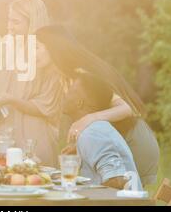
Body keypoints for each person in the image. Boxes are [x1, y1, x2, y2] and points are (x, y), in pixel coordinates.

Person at [37, 24, 159, 185]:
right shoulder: (66, 77)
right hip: (113, 142)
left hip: (132, 139)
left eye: (37, 48)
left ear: (53, 48)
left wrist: (88, 119)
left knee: (122, 189)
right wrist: (81, 146)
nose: (31, 54)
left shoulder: (84, 74)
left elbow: (128, 108)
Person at [0, 0, 64, 167]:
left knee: (32, 182)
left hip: (33, 137)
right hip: (0, 134)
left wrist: (12, 100)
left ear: (32, 24)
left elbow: (47, 106)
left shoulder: (45, 55)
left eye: (16, 22)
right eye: (9, 20)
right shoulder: (2, 49)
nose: (9, 27)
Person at [61, 72, 142, 190]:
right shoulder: (94, 130)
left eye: (71, 91)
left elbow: (118, 180)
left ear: (79, 103)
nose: (65, 94)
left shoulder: (92, 134)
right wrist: (81, 151)